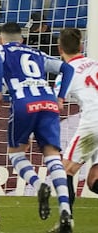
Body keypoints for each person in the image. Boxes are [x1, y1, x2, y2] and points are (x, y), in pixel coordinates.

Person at [0, 22, 74, 233]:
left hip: (24, 101)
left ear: (1, 39)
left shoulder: (0, 49)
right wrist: (61, 96)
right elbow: (67, 67)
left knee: (16, 154)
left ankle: (38, 186)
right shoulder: (37, 53)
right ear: (22, 39)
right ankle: (65, 210)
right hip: (49, 102)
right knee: (53, 155)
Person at [47, 28, 98, 233]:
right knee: (95, 180)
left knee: (64, 170)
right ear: (81, 47)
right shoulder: (94, 63)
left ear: (60, 50)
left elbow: (55, 104)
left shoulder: (66, 72)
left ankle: (65, 224)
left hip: (94, 122)